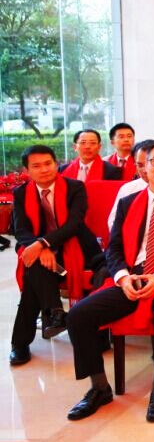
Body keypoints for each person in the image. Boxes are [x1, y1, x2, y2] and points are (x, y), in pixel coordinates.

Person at [65, 141, 154, 422]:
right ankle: (99, 387)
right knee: (79, 314)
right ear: (145, 165)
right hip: (133, 275)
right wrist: (123, 276)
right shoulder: (128, 202)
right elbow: (113, 248)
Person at [9, 146, 104, 366]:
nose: (44, 169)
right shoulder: (21, 192)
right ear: (27, 171)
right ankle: (56, 313)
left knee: (34, 274)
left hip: (77, 247)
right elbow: (21, 230)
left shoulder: (75, 187)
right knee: (35, 265)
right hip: (37, 248)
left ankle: (21, 342)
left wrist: (43, 244)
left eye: (48, 164)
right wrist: (40, 248)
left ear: (56, 164)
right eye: (36, 166)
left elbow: (74, 224)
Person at [59, 130, 124, 182]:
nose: (87, 147)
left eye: (92, 143)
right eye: (83, 143)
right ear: (75, 147)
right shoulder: (62, 170)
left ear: (99, 147)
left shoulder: (112, 171)